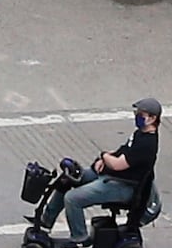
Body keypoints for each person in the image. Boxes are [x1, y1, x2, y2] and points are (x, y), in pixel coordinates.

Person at [53, 99, 159, 239]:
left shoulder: (147, 144)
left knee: (72, 199)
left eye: (141, 114)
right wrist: (105, 158)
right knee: (69, 179)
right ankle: (45, 222)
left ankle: (80, 239)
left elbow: (117, 164)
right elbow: (122, 152)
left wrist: (103, 155)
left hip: (122, 186)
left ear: (152, 118)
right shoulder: (140, 133)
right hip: (113, 177)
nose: (136, 116)